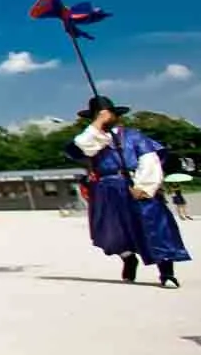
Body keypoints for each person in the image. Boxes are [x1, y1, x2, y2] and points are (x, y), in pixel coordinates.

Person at [66, 95, 188, 289]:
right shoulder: (92, 137)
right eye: (98, 115)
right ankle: (128, 258)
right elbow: (79, 149)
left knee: (154, 226)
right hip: (106, 188)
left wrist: (145, 186)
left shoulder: (134, 136)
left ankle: (166, 272)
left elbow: (150, 159)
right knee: (111, 230)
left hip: (133, 183)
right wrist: (98, 123)